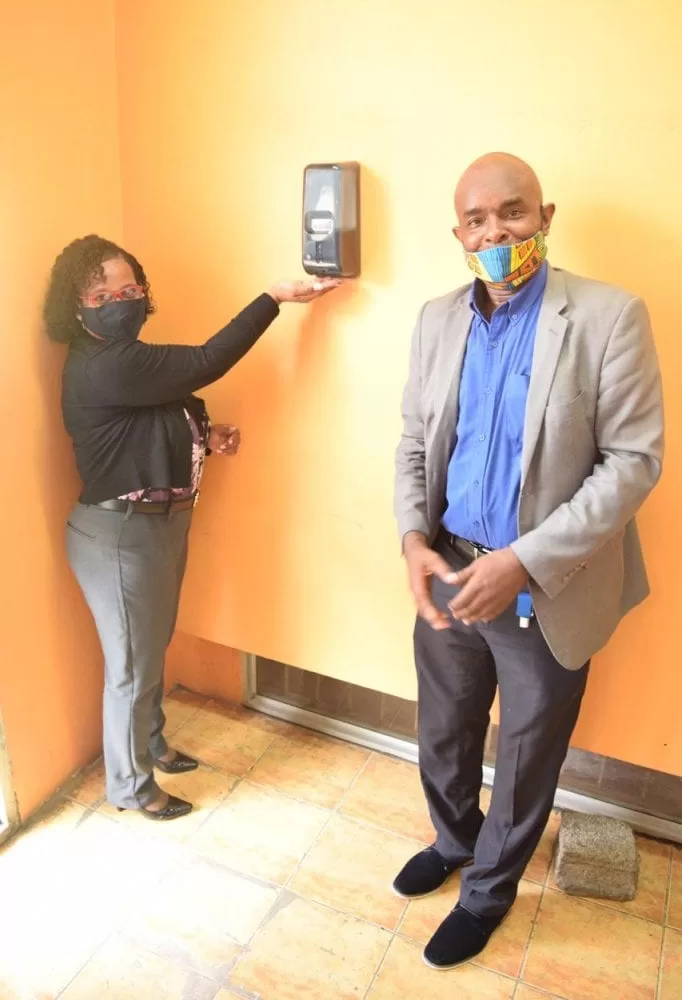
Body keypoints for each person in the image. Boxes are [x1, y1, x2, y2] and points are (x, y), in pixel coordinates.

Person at [393, 154, 664, 969]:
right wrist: (411, 539)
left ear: (545, 216)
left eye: (512, 213)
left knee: (525, 753)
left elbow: (633, 463)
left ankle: (488, 890)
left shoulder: (609, 316)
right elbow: (414, 442)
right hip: (449, 570)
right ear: (458, 234)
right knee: (444, 730)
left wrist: (524, 560)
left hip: (547, 587)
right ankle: (454, 841)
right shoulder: (436, 319)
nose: (495, 234)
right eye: (476, 221)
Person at [44, 234, 341, 821]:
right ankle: (131, 786)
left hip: (157, 527)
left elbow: (159, 414)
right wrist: (274, 298)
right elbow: (207, 360)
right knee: (132, 667)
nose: (119, 302)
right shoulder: (106, 364)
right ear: (75, 307)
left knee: (150, 649)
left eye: (129, 289)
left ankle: (152, 742)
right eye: (101, 295)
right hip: (118, 536)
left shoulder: (128, 362)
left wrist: (206, 435)